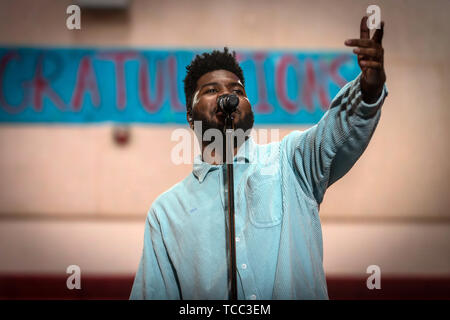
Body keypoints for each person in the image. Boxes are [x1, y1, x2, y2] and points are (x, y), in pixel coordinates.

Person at [130, 16, 388, 300]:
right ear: (190, 116)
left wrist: (369, 90)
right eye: (212, 90)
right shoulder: (166, 213)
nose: (227, 96)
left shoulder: (291, 161)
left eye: (236, 91)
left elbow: (338, 131)